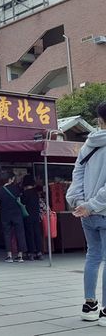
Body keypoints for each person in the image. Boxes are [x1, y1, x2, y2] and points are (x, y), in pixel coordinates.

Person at [66, 101, 106, 326]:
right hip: (100, 210)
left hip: (86, 214)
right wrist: (92, 204)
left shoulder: (88, 144)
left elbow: (77, 175)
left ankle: (89, 305)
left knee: (93, 256)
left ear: (99, 120)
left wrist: (81, 203)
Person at [0, 172, 27, 263]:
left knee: (7, 234)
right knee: (20, 233)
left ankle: (9, 255)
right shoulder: (17, 188)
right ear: (10, 179)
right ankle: (20, 255)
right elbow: (22, 198)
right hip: (17, 214)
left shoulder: (0, 190)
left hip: (5, 214)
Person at [20, 175, 44, 261]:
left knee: (29, 234)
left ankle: (31, 253)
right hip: (36, 215)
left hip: (27, 215)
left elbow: (22, 203)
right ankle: (39, 252)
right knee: (37, 233)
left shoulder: (25, 193)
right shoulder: (35, 193)